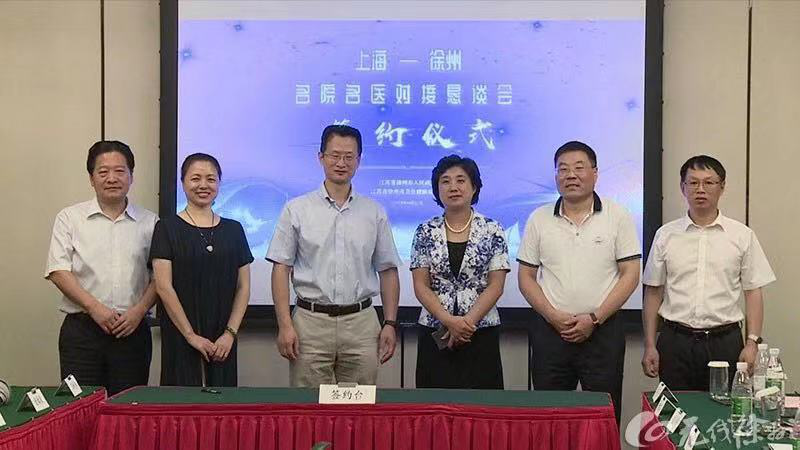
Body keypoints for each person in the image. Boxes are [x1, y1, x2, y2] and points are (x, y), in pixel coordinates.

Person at [267, 124, 401, 387]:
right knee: (308, 406)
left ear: (359, 160)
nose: (341, 163)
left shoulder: (374, 212)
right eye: (334, 155)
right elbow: (281, 269)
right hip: (310, 324)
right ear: (321, 157)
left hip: (362, 325)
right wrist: (284, 325)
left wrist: (390, 323)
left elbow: (387, 270)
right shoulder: (296, 209)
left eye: (349, 157)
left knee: (359, 405)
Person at [517, 141, 640, 423]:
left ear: (595, 173)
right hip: (551, 333)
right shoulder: (539, 218)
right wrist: (553, 316)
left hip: (603, 331)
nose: (571, 175)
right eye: (563, 169)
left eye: (579, 168)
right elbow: (526, 277)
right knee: (549, 418)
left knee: (603, 417)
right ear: (556, 176)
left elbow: (630, 274)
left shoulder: (617, 215)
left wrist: (594, 318)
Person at [641, 155, 775, 390]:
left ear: (722, 187)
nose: (700, 189)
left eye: (709, 182)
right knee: (677, 409)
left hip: (724, 341)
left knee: (723, 409)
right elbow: (653, 292)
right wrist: (650, 344)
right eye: (693, 182)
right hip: (675, 341)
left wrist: (752, 342)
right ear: (683, 187)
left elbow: (753, 292)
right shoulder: (666, 235)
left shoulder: (741, 236)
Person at [45, 140, 158, 395]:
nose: (112, 178)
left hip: (132, 330)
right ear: (91, 178)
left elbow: (159, 277)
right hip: (82, 331)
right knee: (80, 405)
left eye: (120, 171)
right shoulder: (69, 218)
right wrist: (95, 308)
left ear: (131, 176)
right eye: (103, 171)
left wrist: (139, 311)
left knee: (127, 408)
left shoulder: (150, 222)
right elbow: (58, 271)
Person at [150, 153, 253, 386]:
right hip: (180, 335)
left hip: (223, 337)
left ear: (219, 183)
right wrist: (190, 336)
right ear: (183, 182)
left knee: (222, 402)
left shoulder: (234, 230)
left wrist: (230, 334)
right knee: (182, 401)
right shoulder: (166, 228)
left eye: (211, 179)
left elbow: (244, 287)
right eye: (195, 178)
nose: (203, 185)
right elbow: (164, 287)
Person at [410, 155, 509, 389]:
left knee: (482, 405)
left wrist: (465, 324)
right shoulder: (425, 231)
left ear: (474, 187)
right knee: (433, 404)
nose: (453, 187)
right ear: (437, 189)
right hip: (435, 330)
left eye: (461, 180)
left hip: (480, 331)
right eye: (445, 181)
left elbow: (496, 285)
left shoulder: (492, 229)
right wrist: (448, 321)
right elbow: (420, 285)